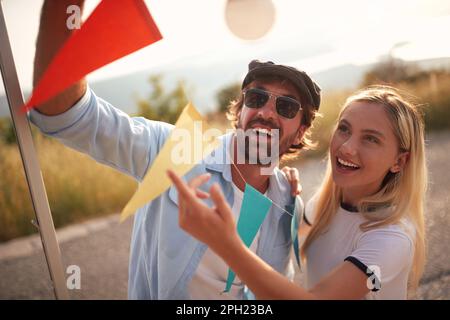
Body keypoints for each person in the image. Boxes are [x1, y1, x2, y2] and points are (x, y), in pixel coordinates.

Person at [30, 1, 321, 299]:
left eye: (286, 106)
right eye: (257, 98)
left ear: (300, 130)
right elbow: (66, 115)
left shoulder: (288, 200)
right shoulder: (174, 150)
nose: (267, 113)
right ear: (241, 109)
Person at [168, 85, 427, 299]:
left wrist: (227, 245)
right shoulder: (329, 205)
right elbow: (283, 233)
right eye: (344, 129)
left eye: (371, 139)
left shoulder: (392, 238)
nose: (347, 147)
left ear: (400, 161)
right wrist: (280, 191)